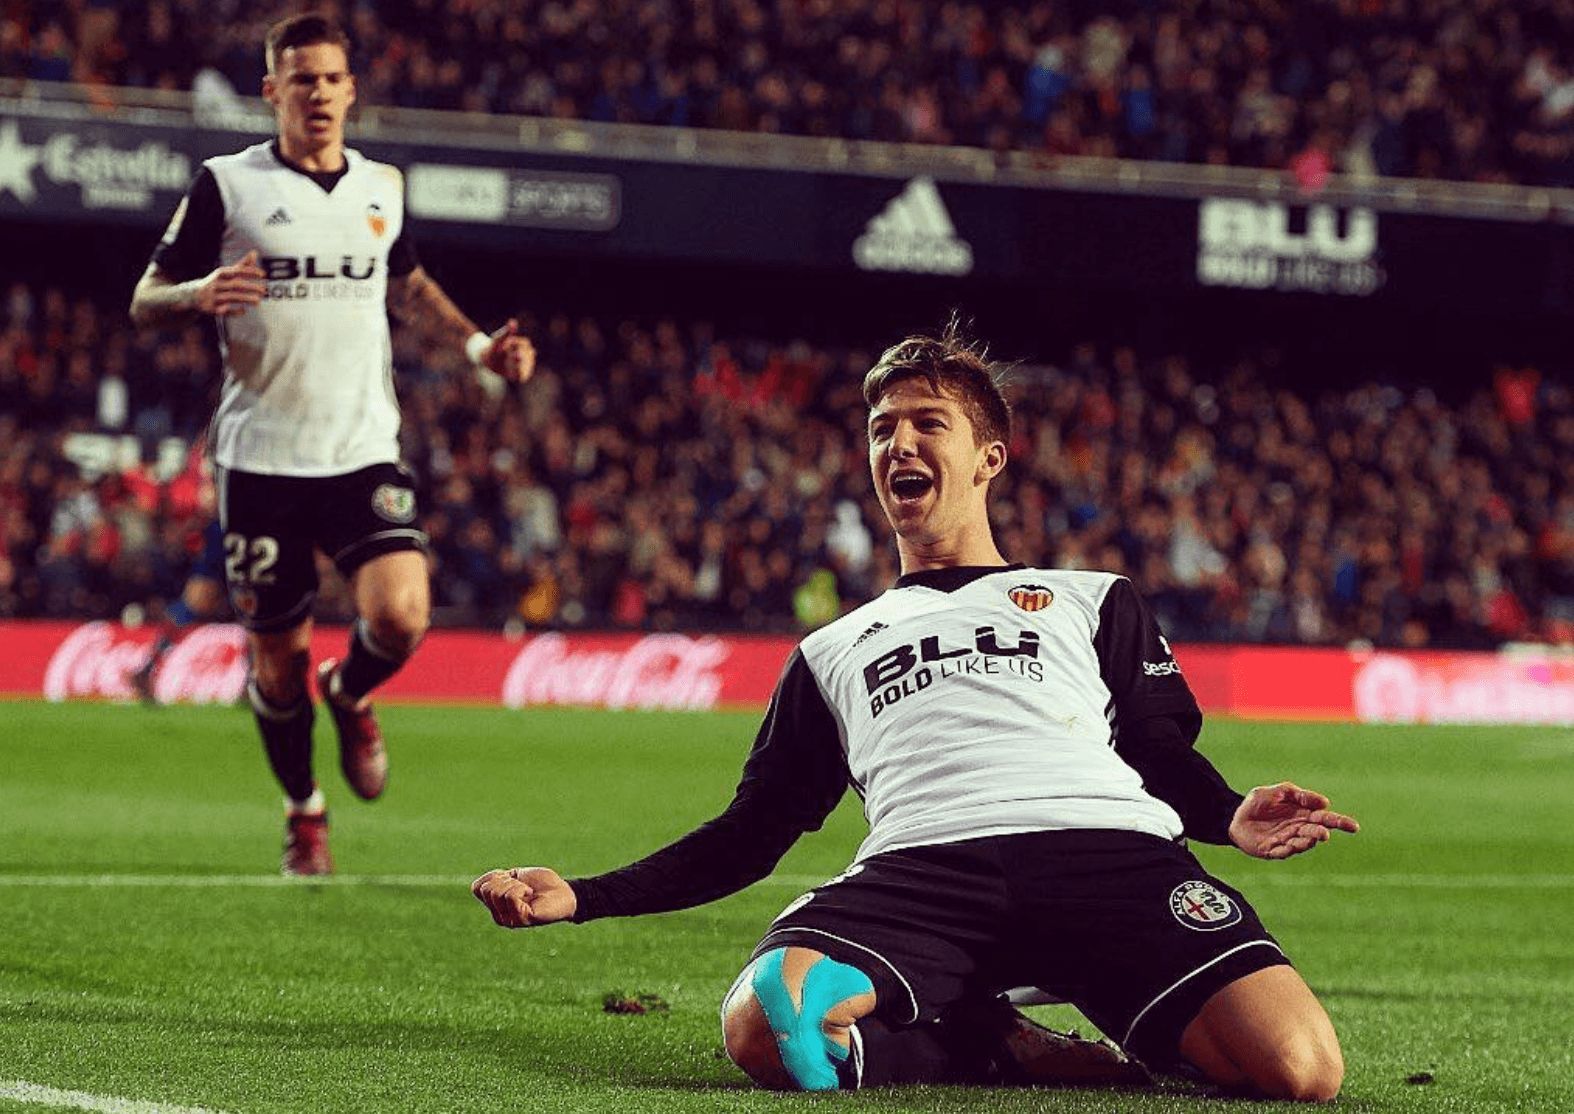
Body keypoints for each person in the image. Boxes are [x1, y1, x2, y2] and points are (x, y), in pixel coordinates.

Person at [472, 326, 1359, 1100]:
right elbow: (753, 832)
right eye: (881, 429)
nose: (900, 443)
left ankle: (1043, 1013)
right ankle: (990, 1042)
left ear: (988, 457)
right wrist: (584, 896)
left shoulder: (1092, 598)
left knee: (1300, 1070)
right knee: (760, 1021)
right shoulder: (831, 650)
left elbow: (1158, 746)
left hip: (1104, 849)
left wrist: (1222, 813)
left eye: (928, 423)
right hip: (928, 867)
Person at [130, 14, 535, 875]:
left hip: (360, 449)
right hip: (261, 460)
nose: (318, 93)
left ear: (352, 89)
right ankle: (304, 810)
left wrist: (476, 349)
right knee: (275, 665)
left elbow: (411, 284)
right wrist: (200, 291)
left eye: (331, 78)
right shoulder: (226, 186)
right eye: (300, 78)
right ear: (272, 90)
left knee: (401, 614)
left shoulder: (380, 186)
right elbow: (145, 296)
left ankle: (348, 691)